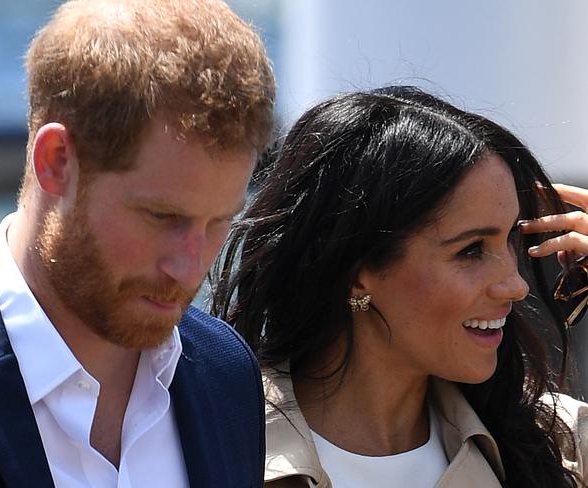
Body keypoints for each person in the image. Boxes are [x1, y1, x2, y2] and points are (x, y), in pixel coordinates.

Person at [0, 0, 274, 486]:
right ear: (56, 162)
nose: (189, 268)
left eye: (220, 222)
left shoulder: (227, 374)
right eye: (162, 217)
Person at [212, 86, 588, 487]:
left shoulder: (561, 447)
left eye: (511, 239)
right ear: (356, 271)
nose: (515, 285)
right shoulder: (212, 441)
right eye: (471, 250)